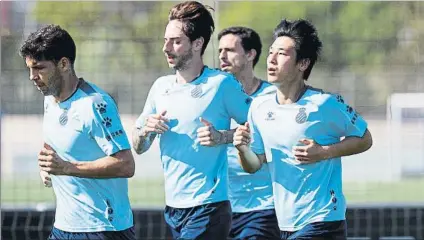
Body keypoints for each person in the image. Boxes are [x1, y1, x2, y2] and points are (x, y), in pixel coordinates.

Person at [233, 19, 373, 240]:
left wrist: (324, 152)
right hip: (285, 224)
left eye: (282, 54)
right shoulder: (259, 107)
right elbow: (254, 165)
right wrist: (242, 149)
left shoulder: (325, 104)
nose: (271, 59)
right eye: (271, 52)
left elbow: (365, 138)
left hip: (324, 220)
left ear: (303, 63)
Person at [132, 1, 252, 239]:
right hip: (174, 208)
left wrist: (223, 137)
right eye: (165, 40)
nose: (166, 48)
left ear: (197, 43)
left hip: (209, 207)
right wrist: (146, 131)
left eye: (176, 41)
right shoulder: (160, 87)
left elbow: (260, 127)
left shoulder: (221, 84)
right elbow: (138, 147)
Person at [19, 24, 136, 240]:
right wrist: (47, 166)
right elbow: (55, 145)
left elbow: (126, 164)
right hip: (64, 227)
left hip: (103, 229)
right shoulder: (49, 100)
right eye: (29, 69)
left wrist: (66, 167)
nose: (32, 76)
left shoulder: (95, 104)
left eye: (39, 68)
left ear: (63, 64)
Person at [217, 26, 279, 239]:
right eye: (219, 51)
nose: (222, 56)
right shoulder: (213, 95)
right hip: (220, 208)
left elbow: (269, 133)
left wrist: (223, 136)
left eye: (230, 50)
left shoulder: (272, 96)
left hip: (263, 206)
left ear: (251, 54)